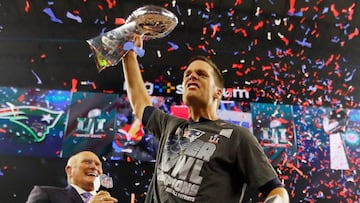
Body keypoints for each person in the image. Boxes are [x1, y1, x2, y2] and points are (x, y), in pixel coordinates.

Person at [121, 35, 290, 203]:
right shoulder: (170, 126)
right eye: (187, 74)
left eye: (201, 74)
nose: (191, 77)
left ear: (218, 92)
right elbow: (140, 104)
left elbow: (277, 191)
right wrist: (129, 55)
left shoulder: (238, 137)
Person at [26, 151, 118, 203]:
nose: (94, 167)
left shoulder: (109, 200)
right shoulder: (46, 194)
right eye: (87, 162)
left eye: (98, 164)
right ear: (69, 170)